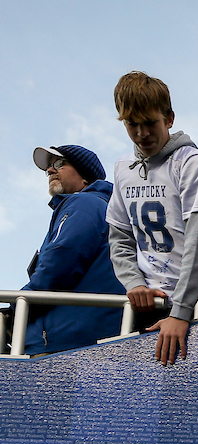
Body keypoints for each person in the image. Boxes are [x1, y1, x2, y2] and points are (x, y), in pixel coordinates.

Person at [106, 71, 198, 365]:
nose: (142, 133)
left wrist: (180, 310)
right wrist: (133, 284)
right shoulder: (122, 168)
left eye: (150, 123)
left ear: (168, 118)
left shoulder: (192, 163)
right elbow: (120, 237)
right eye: (132, 124)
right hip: (148, 306)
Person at [21, 145, 124, 355]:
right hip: (82, 342)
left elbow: (61, 262)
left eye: (59, 164)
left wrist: (19, 305)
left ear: (85, 177)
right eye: (49, 167)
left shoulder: (84, 203)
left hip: (67, 346)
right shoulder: (96, 205)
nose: (50, 170)